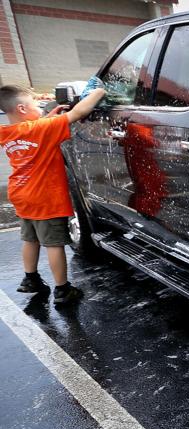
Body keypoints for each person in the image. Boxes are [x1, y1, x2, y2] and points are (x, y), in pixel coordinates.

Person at [0, 84, 105, 305]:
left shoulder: (7, 132)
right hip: (46, 197)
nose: (39, 108)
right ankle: (63, 289)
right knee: (54, 244)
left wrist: (46, 117)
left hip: (21, 193)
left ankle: (30, 279)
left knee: (30, 239)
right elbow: (79, 113)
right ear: (21, 108)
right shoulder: (44, 128)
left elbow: (29, 133)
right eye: (34, 105)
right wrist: (99, 92)